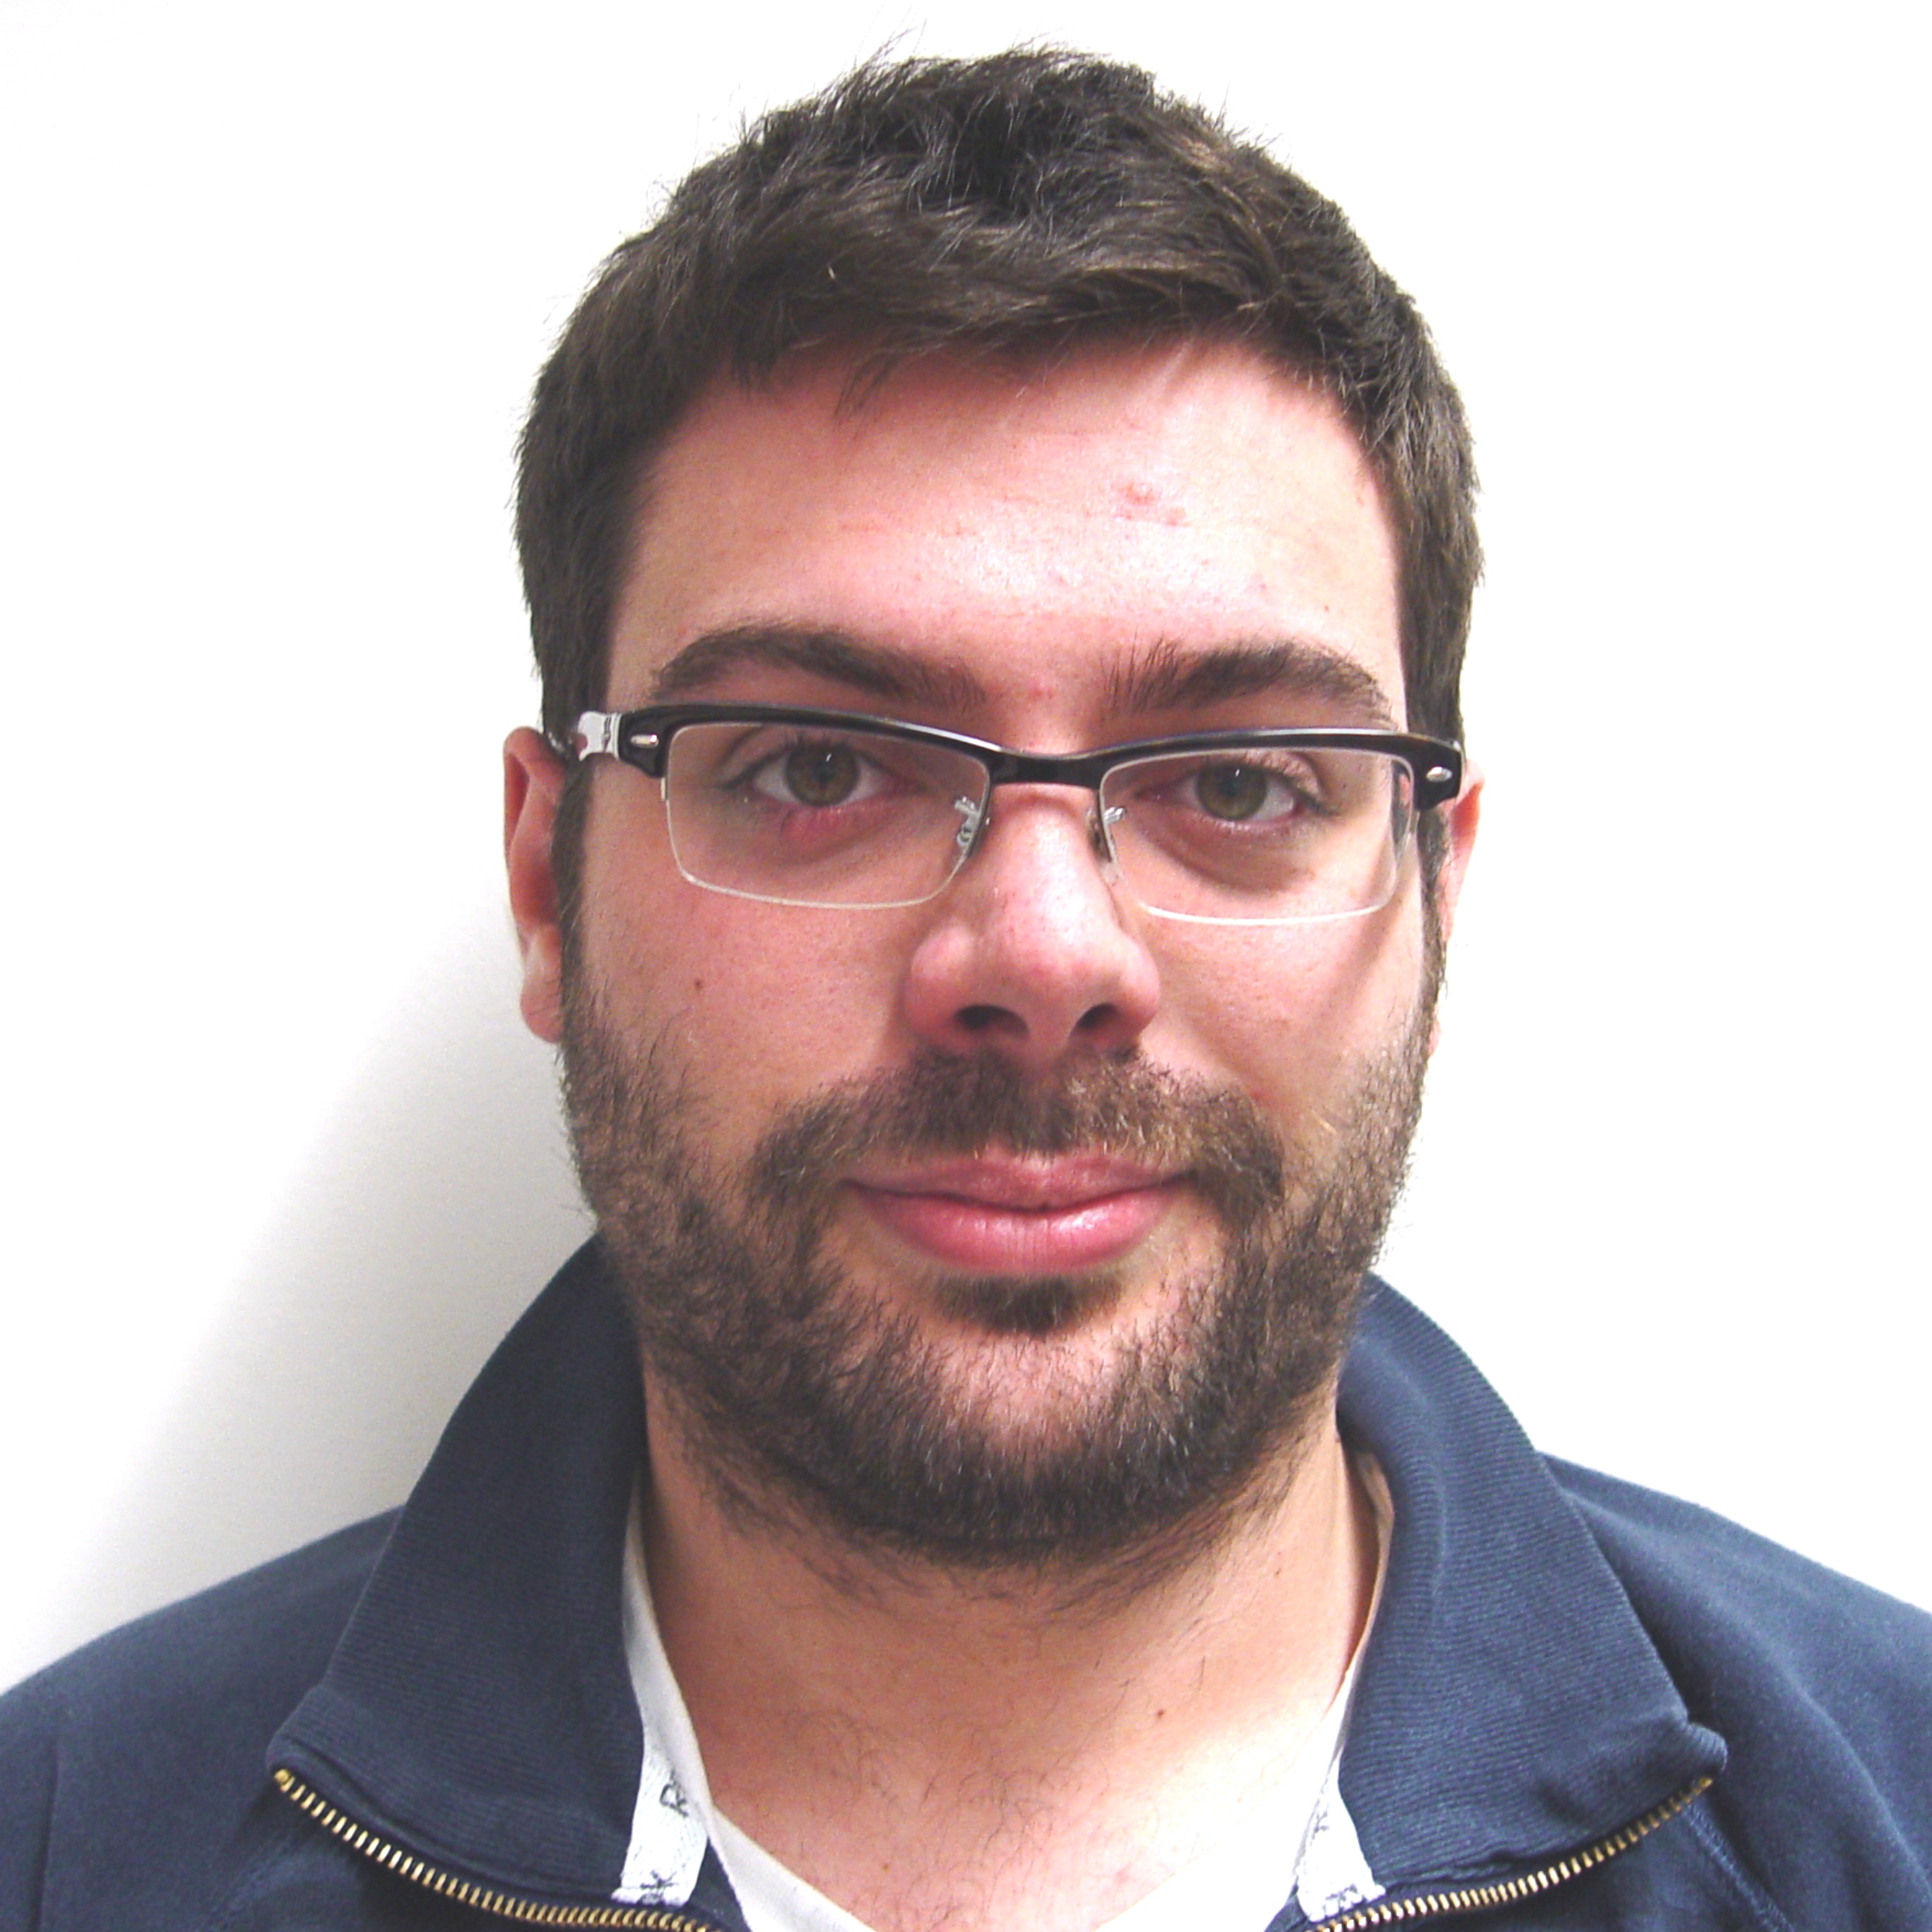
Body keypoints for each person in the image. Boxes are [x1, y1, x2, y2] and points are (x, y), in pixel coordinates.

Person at [2, 47, 1927, 1932]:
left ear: (1435, 895)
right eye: (813, 767)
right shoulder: (62, 1854)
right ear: (544, 885)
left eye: (1239, 785)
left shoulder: (1888, 1818)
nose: (1041, 955)